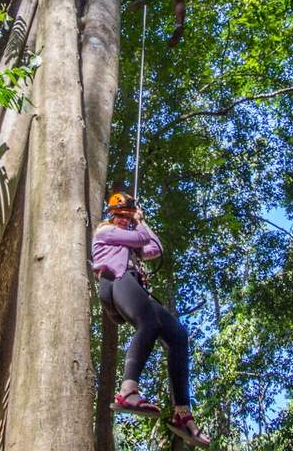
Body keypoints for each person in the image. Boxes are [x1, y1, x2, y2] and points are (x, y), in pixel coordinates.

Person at [92, 190, 210, 447]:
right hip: (116, 280)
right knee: (148, 324)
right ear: (111, 216)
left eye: (128, 217)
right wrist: (138, 222)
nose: (124, 220)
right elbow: (141, 238)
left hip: (133, 284)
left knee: (177, 335)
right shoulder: (105, 232)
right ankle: (128, 391)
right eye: (120, 216)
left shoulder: (130, 240)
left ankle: (182, 413)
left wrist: (142, 221)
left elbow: (155, 248)